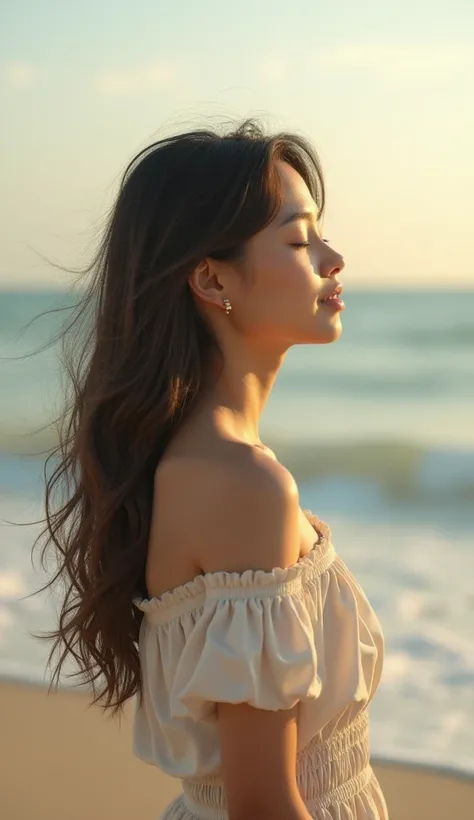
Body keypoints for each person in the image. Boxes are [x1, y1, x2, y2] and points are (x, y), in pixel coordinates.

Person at [34, 118, 388, 819]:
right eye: (298, 239)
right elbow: (262, 804)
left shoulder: (205, 462)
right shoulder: (241, 483)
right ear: (210, 278)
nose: (333, 257)